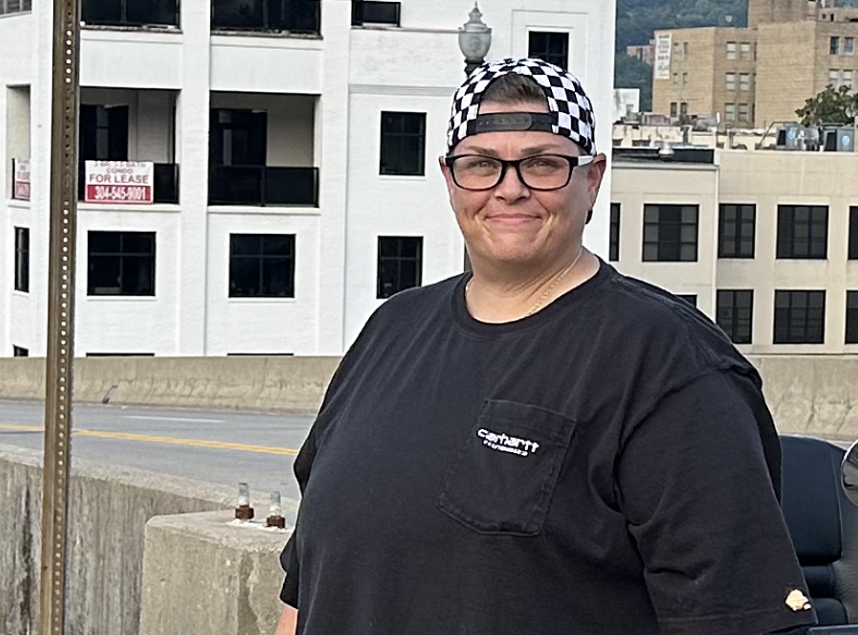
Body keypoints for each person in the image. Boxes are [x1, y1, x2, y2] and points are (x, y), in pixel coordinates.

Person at [274, 57, 816, 635]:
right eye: (481, 165)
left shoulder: (667, 361)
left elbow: (734, 618)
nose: (510, 189)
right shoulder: (390, 332)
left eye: (541, 164)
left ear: (592, 178)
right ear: (450, 178)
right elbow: (306, 588)